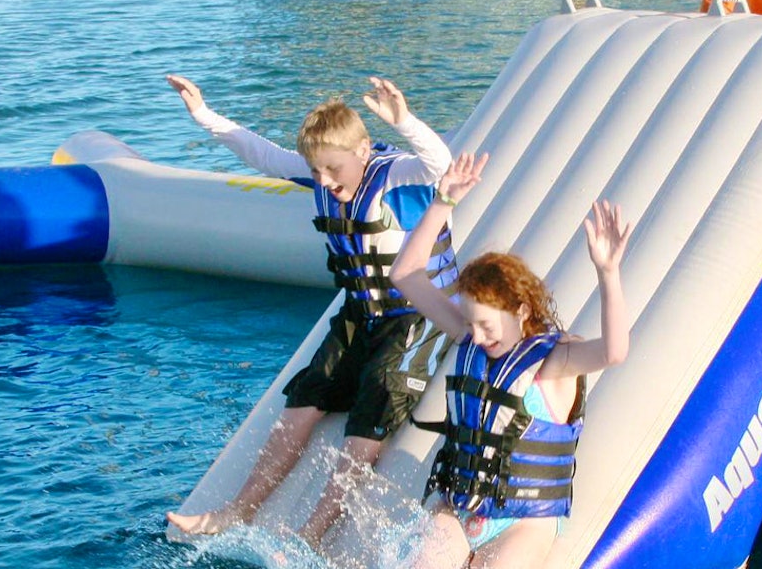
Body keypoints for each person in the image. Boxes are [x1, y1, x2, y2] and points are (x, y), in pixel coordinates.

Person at [164, 75, 458, 541]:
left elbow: (441, 164)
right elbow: (258, 152)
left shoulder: (398, 174)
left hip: (417, 315)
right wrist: (204, 115)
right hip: (361, 311)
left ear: (361, 152)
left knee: (376, 399)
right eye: (316, 170)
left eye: (331, 170)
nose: (322, 180)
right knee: (307, 394)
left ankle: (313, 532)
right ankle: (239, 510)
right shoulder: (322, 174)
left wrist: (405, 121)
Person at [382, 152, 631, 569]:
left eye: (487, 327)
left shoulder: (553, 362)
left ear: (519, 310)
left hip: (524, 520)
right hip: (457, 507)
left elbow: (613, 352)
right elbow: (405, 274)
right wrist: (443, 202)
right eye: (470, 323)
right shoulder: (470, 335)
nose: (476, 337)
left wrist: (608, 273)